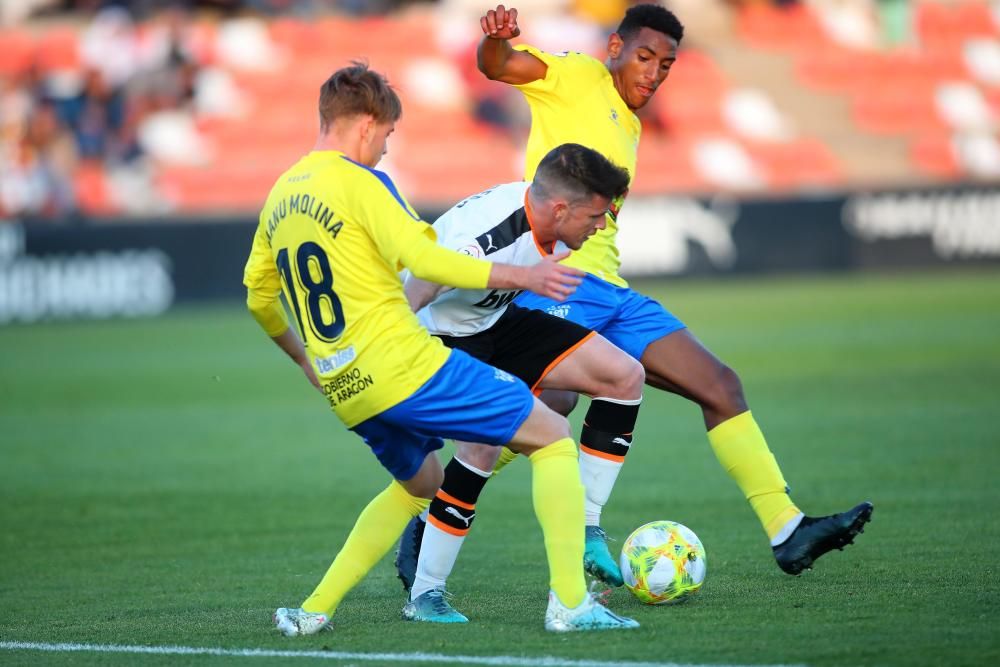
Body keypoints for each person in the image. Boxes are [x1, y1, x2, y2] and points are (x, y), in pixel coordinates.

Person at [398, 3, 873, 591]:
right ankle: (428, 521)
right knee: (545, 412)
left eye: (666, 65)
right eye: (644, 56)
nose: (652, 72)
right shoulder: (577, 76)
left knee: (720, 386)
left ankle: (786, 527)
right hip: (560, 287)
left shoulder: (632, 122)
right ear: (615, 48)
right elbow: (500, 67)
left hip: (614, 293)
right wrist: (494, 42)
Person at [244, 62, 637, 635]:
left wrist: (306, 358)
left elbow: (258, 297)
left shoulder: (280, 194)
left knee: (421, 484)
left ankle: (313, 610)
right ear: (367, 125)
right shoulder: (361, 183)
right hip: (408, 362)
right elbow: (426, 263)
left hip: (345, 385)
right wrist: (521, 278)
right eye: (387, 136)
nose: (383, 150)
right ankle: (571, 606)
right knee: (552, 437)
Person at [399, 143, 643, 623]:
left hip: (493, 322)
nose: (602, 226)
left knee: (622, 375)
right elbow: (424, 283)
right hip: (441, 334)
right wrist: (393, 353)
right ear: (560, 208)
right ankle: (424, 595)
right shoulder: (488, 234)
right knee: (481, 448)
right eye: (595, 215)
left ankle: (588, 529)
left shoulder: (553, 221)